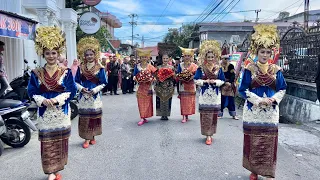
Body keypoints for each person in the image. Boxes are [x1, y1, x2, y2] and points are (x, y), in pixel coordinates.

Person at [27, 26, 77, 180]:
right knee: (47, 142)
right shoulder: (36, 73)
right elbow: (31, 91)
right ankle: (50, 171)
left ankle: (57, 169)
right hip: (44, 113)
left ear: (58, 54)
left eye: (53, 53)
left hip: (61, 111)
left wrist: (56, 100)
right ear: (43, 54)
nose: (50, 56)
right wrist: (42, 100)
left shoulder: (66, 72)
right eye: (47, 53)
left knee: (60, 140)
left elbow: (71, 90)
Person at [238, 24, 287, 180]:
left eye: (268, 52)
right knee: (253, 140)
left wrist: (273, 99)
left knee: (269, 141)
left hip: (271, 112)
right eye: (262, 52)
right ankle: (254, 170)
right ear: (257, 52)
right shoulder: (249, 69)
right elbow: (242, 89)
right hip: (253, 111)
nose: (265, 55)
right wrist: (258, 100)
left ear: (272, 53)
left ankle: (268, 172)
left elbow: (283, 89)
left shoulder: (276, 70)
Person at [75, 37, 108, 149]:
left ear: (95, 55)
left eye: (91, 54)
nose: (89, 56)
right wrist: (81, 88)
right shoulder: (81, 68)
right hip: (83, 97)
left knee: (93, 117)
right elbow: (75, 82)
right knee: (85, 118)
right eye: (87, 54)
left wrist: (94, 90)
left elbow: (104, 83)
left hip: (95, 97)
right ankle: (86, 138)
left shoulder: (100, 68)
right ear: (84, 56)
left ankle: (92, 136)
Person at [194, 40, 225, 145]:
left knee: (213, 115)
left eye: (212, 57)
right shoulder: (201, 68)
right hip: (204, 94)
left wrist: (215, 82)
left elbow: (223, 80)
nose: (211, 59)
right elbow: (195, 79)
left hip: (215, 95)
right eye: (209, 57)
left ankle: (210, 134)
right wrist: (205, 81)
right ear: (205, 58)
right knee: (205, 114)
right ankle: (207, 134)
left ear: (215, 57)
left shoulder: (219, 68)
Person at [133, 49, 157, 126]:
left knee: (147, 103)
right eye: (142, 57)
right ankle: (142, 117)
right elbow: (134, 75)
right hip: (140, 87)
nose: (144, 58)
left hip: (148, 87)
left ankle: (145, 117)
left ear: (148, 58)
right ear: (140, 58)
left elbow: (156, 74)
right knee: (141, 103)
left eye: (145, 57)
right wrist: (135, 78)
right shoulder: (137, 66)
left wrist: (153, 78)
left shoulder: (151, 66)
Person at [176, 47, 198, 123]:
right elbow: (177, 74)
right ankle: (184, 116)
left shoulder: (194, 66)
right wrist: (181, 77)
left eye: (189, 56)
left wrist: (191, 77)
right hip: (183, 86)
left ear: (191, 57)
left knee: (189, 102)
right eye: (185, 56)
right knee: (183, 101)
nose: (187, 57)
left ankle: (187, 115)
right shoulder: (180, 65)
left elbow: (197, 75)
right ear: (183, 56)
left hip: (191, 86)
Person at [155, 54, 175, 120]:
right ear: (162, 59)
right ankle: (161, 114)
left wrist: (171, 75)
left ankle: (166, 115)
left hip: (168, 85)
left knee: (167, 99)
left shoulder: (171, 67)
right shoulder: (158, 67)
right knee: (161, 99)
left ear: (169, 59)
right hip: (160, 85)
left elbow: (174, 77)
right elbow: (156, 76)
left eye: (166, 58)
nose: (165, 60)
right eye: (164, 58)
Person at [219, 54, 239, 120]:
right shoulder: (218, 66)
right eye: (225, 59)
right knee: (221, 99)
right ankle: (220, 114)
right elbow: (218, 75)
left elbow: (233, 75)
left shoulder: (231, 66)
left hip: (229, 85)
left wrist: (230, 82)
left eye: (227, 59)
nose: (226, 60)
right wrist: (224, 82)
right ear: (222, 59)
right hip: (221, 84)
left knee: (231, 99)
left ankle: (233, 115)